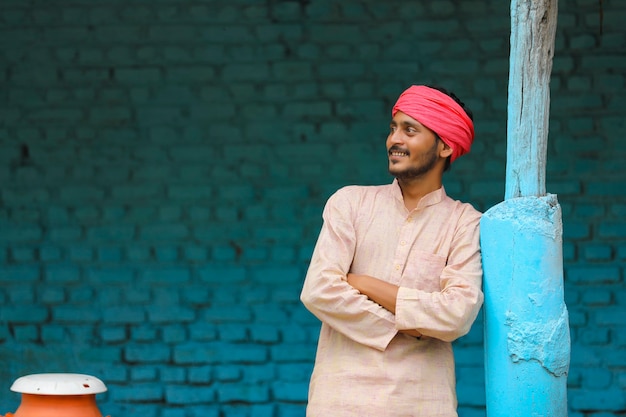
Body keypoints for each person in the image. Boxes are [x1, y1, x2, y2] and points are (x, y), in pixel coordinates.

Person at [300, 85, 483, 417]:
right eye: (393, 128)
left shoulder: (464, 222)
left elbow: (457, 314)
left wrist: (365, 283)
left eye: (409, 130)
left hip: (423, 404)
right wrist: (412, 325)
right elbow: (319, 290)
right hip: (339, 402)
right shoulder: (350, 203)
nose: (394, 140)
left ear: (444, 146)